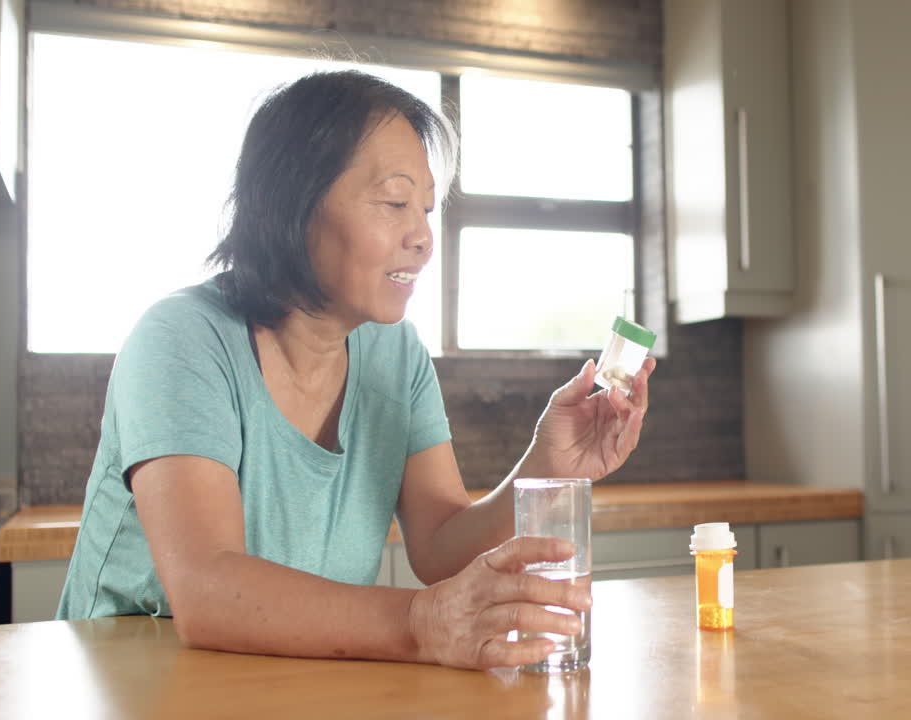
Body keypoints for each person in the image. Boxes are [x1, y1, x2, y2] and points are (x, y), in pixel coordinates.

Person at [55, 70, 656, 671]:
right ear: (292, 201)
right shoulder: (182, 339)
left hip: (291, 683)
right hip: (136, 684)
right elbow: (209, 591)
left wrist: (546, 464)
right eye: (395, 202)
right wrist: (421, 622)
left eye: (425, 209)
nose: (422, 237)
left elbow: (442, 547)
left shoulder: (395, 356)